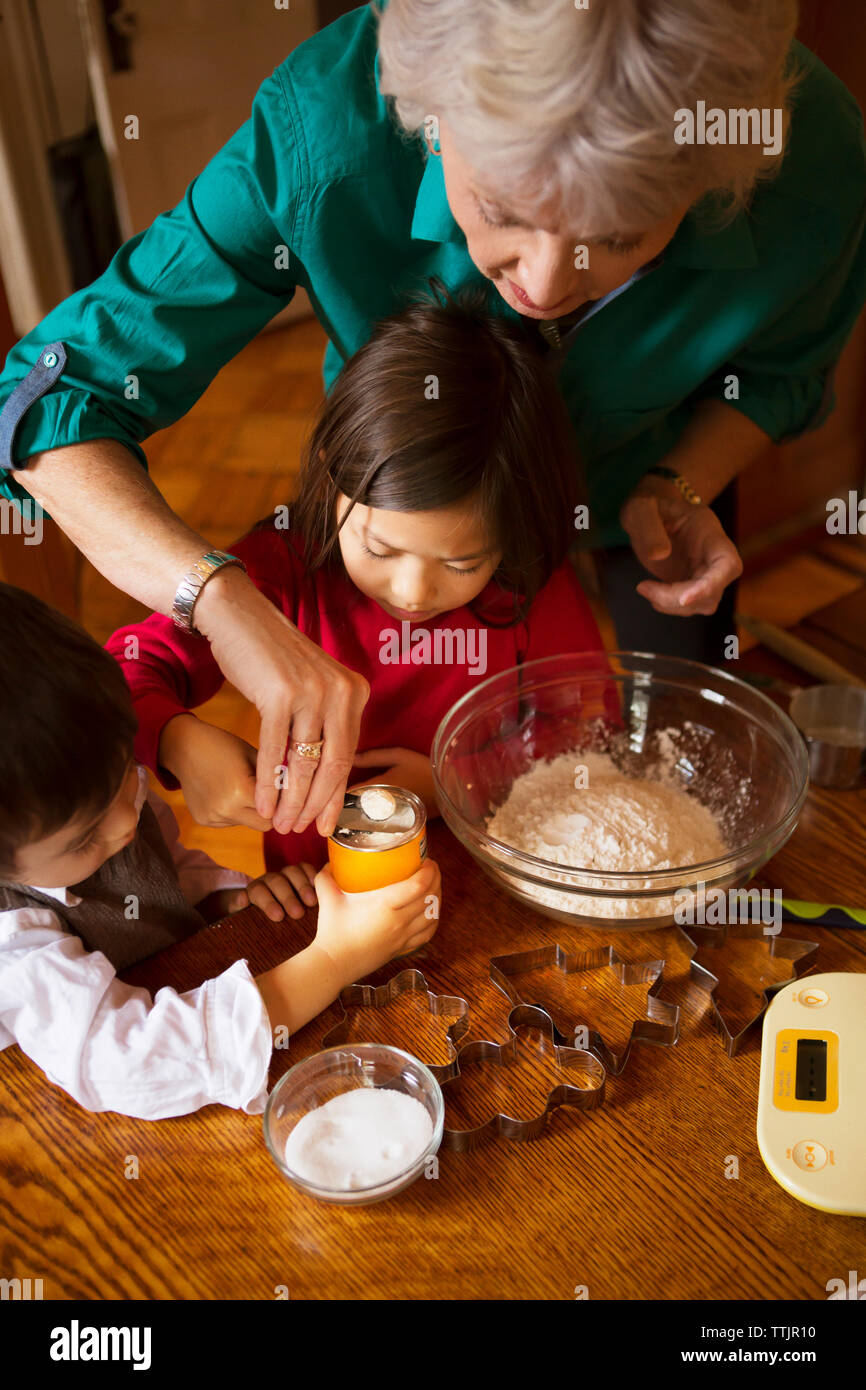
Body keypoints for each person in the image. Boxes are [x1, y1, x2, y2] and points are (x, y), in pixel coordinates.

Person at [1, 0, 863, 835]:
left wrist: (683, 482)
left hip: (650, 493)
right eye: (500, 212)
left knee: (683, 753)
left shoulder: (812, 159)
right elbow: (47, 404)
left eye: (626, 238)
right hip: (413, 486)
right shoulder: (326, 127)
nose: (545, 286)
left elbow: (783, 370)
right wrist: (221, 604)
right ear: (431, 117)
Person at [105, 288, 606, 906]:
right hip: (315, 890)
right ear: (332, 478)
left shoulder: (532, 581)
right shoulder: (280, 568)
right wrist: (177, 740)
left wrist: (461, 782)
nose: (413, 592)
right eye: (380, 549)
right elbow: (121, 670)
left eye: (462, 562)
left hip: (476, 859)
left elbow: (585, 724)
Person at [0, 582, 440, 1119]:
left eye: (125, 780)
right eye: (85, 839)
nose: (123, 825)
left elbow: (163, 877)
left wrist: (224, 901)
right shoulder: (13, 949)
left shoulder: (75, 801)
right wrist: (335, 959)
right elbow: (135, 1062)